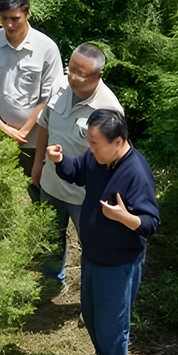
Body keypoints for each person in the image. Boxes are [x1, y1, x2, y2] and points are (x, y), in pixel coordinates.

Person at [46, 109, 159, 355]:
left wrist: (124, 217)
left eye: (96, 143)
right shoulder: (98, 159)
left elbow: (150, 223)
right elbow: (78, 172)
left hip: (119, 262)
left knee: (112, 323)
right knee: (93, 314)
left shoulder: (136, 173)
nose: (90, 148)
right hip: (93, 255)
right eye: (90, 142)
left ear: (118, 141)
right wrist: (60, 161)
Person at [32, 43, 124, 282]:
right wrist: (38, 164)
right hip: (51, 183)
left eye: (80, 74)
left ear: (97, 75)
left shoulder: (109, 108)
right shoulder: (59, 85)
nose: (72, 78)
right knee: (51, 238)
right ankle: (52, 280)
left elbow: (116, 159)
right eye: (70, 69)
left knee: (93, 248)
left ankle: (91, 294)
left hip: (87, 195)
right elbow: (44, 124)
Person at [0, 0, 62, 191]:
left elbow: (48, 98)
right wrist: (1, 126)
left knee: (38, 194)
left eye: (15, 18)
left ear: (27, 13)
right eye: (4, 18)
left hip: (34, 141)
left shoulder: (47, 48)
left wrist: (22, 131)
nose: (9, 25)